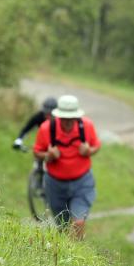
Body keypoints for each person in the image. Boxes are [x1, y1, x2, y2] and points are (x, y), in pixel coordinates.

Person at [33, 95, 101, 240]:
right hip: (55, 185)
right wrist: (48, 155)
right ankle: (66, 256)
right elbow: (37, 152)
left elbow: (96, 146)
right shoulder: (47, 128)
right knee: (62, 225)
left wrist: (89, 151)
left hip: (82, 182)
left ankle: (78, 254)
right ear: (58, 116)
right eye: (65, 118)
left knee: (78, 221)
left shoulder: (86, 126)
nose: (68, 122)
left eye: (72, 118)